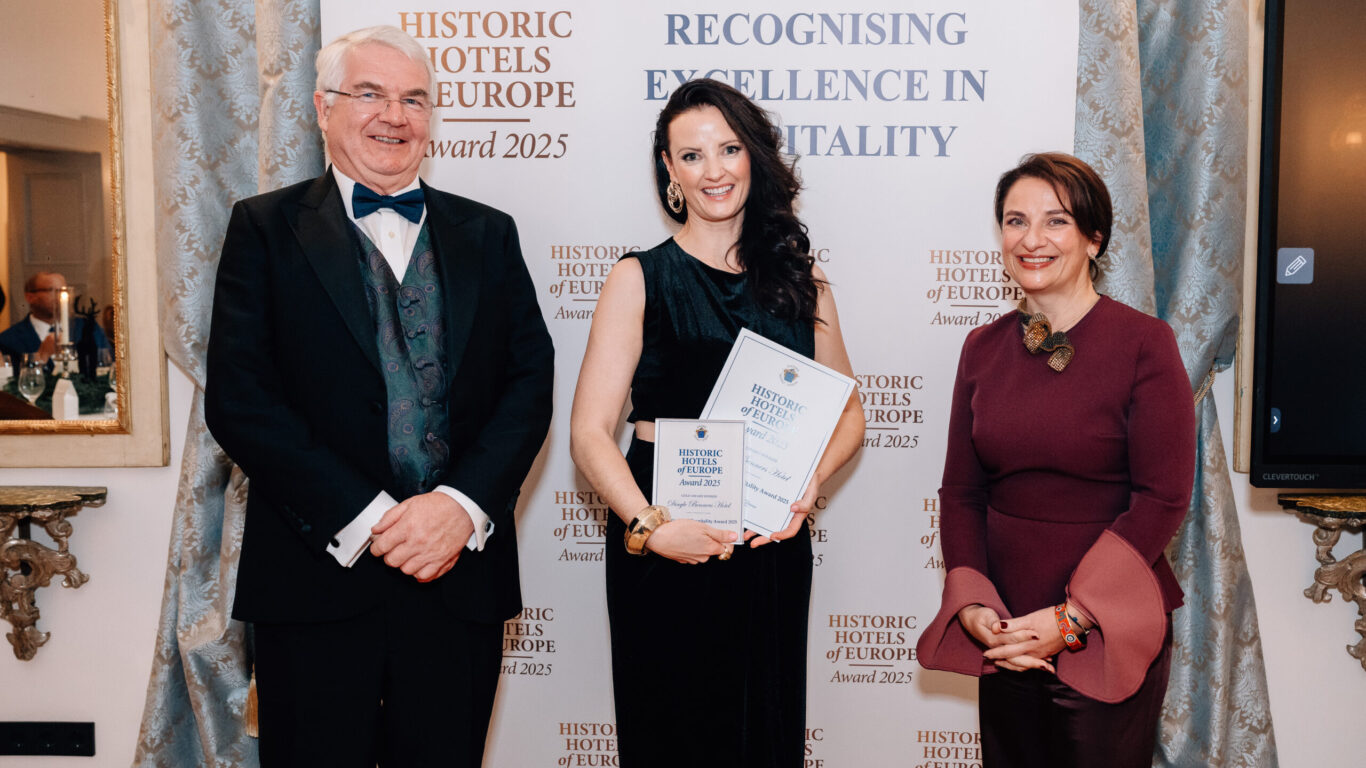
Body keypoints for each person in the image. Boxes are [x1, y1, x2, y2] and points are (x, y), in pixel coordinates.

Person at [203, 25, 553, 768]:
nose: (394, 115)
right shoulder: (262, 229)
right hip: (314, 578)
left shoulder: (490, 234)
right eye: (370, 94)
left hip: (458, 579)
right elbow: (241, 399)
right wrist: (372, 519)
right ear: (323, 109)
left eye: (414, 99)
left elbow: (529, 383)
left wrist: (458, 508)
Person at [569, 78, 865, 767]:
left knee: (763, 733)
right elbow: (589, 431)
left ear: (753, 156)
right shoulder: (639, 277)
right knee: (672, 732)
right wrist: (648, 526)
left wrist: (807, 487)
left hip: (771, 541)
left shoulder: (802, 280)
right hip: (662, 532)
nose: (715, 170)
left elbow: (849, 412)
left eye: (729, 148)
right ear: (668, 170)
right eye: (692, 155)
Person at [915, 153, 1196, 767]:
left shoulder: (1145, 343)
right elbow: (961, 491)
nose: (1032, 240)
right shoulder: (982, 347)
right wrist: (973, 603)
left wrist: (1073, 619)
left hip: (1106, 623)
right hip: (1007, 625)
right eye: (1016, 221)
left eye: (1056, 222)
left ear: (1095, 239)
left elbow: (1164, 498)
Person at [0, 271, 110, 361]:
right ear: (30, 297)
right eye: (52, 290)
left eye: (64, 290)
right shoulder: (8, 339)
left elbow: (108, 363)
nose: (60, 297)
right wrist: (42, 356)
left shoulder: (88, 328)